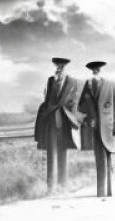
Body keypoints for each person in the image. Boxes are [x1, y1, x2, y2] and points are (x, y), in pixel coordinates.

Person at [33, 56, 82, 192]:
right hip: (51, 123)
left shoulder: (73, 82)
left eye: (61, 67)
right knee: (50, 155)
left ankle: (62, 185)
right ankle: (50, 187)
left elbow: (74, 102)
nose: (59, 70)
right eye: (57, 67)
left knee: (63, 153)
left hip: (65, 122)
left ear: (65, 68)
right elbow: (48, 100)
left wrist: (71, 116)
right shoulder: (51, 81)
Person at [79, 61, 115, 198]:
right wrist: (89, 114)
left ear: (101, 70)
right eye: (93, 69)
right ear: (91, 71)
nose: (95, 71)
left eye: (97, 69)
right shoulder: (88, 85)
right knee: (99, 159)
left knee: (108, 159)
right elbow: (80, 106)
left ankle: (109, 191)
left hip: (109, 127)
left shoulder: (110, 85)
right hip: (95, 127)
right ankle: (100, 191)